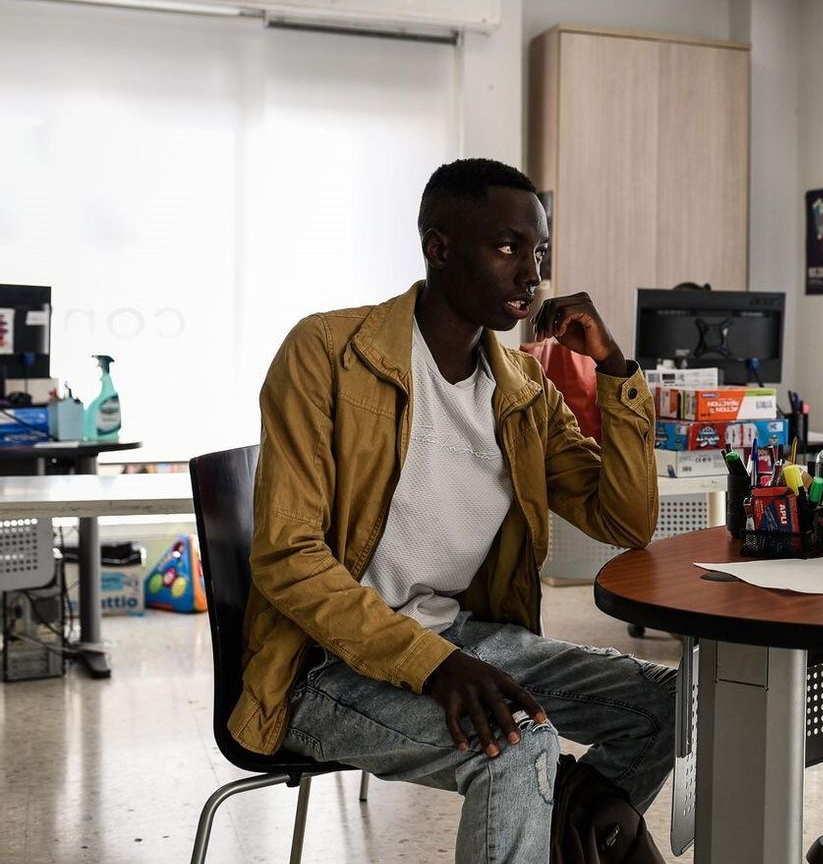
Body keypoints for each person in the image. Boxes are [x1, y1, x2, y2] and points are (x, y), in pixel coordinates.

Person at [235, 158, 675, 864]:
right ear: (439, 248)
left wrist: (616, 369)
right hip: (325, 665)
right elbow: (289, 557)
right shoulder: (327, 352)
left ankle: (572, 828)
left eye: (539, 253)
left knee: (670, 705)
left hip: (464, 640)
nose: (531, 275)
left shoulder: (524, 388)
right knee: (515, 746)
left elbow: (623, 521)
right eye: (507, 247)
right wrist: (433, 664)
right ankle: (581, 828)